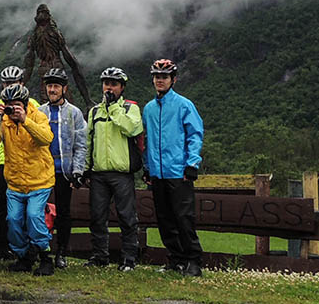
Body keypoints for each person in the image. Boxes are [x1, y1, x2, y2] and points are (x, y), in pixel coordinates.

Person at [0, 84, 56, 275]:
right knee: (13, 220)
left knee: (34, 216)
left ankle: (45, 257)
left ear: (24, 104)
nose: (12, 109)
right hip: (15, 182)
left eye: (16, 105)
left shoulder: (37, 116)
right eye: (8, 105)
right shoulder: (4, 121)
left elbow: (46, 138)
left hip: (39, 180)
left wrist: (25, 121)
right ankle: (23, 257)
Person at [143, 59, 206, 277]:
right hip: (157, 173)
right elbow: (148, 139)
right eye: (157, 77)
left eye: (164, 77)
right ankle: (176, 259)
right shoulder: (149, 109)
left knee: (184, 218)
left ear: (173, 80)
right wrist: (147, 167)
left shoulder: (184, 105)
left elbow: (195, 135)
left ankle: (194, 261)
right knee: (164, 219)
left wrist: (192, 163)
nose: (160, 80)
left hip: (179, 172)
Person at [85, 67, 144, 271]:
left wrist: (114, 109)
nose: (109, 87)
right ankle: (100, 256)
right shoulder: (94, 111)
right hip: (99, 173)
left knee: (127, 217)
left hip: (122, 173)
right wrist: (85, 168)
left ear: (122, 87)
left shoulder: (130, 108)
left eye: (114, 84)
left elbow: (132, 128)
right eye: (106, 83)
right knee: (97, 217)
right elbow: (88, 141)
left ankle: (129, 258)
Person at [39, 67, 87, 268]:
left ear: (64, 89)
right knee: (39, 212)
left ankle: (61, 252)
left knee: (64, 213)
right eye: (50, 86)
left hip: (64, 172)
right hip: (42, 172)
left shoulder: (74, 113)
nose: (52, 90)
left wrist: (78, 171)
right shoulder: (39, 112)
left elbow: (81, 144)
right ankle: (42, 251)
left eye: (56, 86)